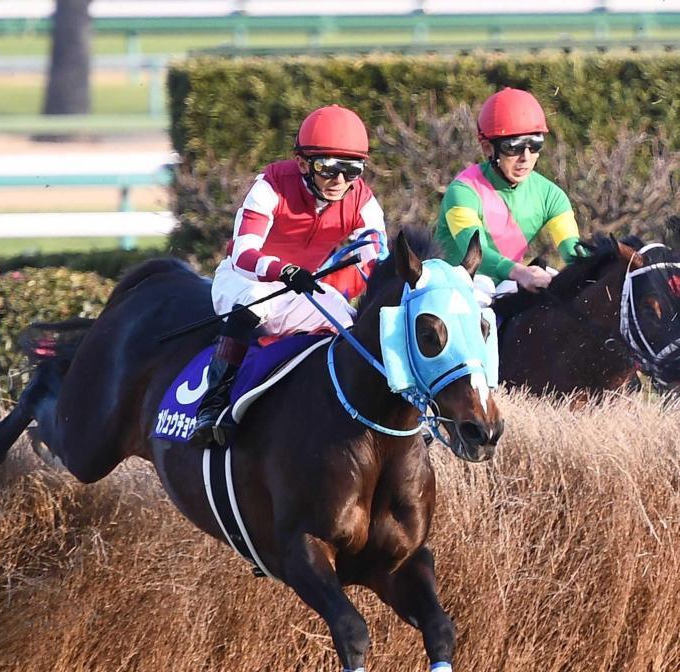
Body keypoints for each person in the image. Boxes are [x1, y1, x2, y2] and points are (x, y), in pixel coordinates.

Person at [190, 104, 387, 448]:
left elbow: (376, 256)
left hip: (300, 287)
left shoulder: (362, 200)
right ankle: (212, 408)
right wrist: (284, 270)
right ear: (302, 163)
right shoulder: (270, 186)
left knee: (353, 328)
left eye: (351, 169)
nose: (339, 181)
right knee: (250, 305)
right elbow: (243, 253)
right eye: (327, 168)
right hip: (246, 279)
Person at [436, 87, 581, 297]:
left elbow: (573, 252)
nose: (526, 157)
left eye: (534, 145)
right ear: (487, 148)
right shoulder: (463, 192)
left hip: (504, 284)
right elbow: (476, 254)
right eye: (513, 147)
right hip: (451, 288)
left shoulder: (552, 196)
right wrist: (521, 272)